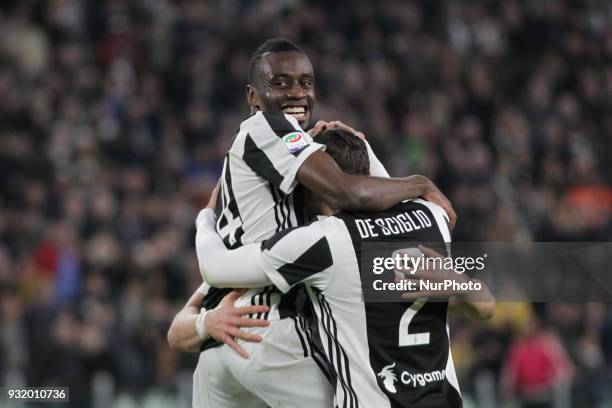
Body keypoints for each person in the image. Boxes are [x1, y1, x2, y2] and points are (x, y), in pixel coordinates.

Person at [168, 38, 456, 408]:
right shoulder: (266, 128)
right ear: (253, 97)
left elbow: (203, 287)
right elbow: (350, 195)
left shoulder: (266, 168)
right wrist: (419, 182)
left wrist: (203, 323)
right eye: (281, 82)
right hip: (277, 335)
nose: (297, 93)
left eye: (305, 82)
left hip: (222, 341)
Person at [197, 129, 494, 407]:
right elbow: (485, 307)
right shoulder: (431, 215)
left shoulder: (323, 241)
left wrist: (206, 219)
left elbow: (215, 268)